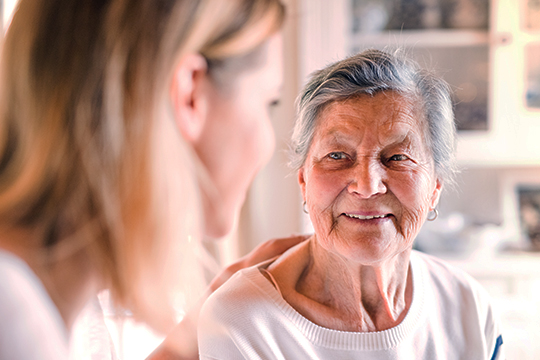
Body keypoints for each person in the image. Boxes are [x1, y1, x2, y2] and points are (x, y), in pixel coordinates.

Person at [0, 0, 304, 359]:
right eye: (268, 101)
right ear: (191, 92)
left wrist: (210, 316)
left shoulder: (53, 302)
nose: (270, 145)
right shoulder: (13, 319)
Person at [198, 49, 505, 359]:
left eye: (397, 158)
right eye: (337, 156)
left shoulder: (468, 307)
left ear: (435, 186)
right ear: (303, 180)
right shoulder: (243, 323)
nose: (367, 186)